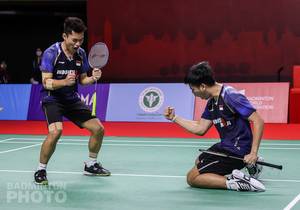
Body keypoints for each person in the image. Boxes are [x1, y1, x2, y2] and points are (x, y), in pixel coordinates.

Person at [164, 61, 265, 192]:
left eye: (193, 89)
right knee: (199, 161)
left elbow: (258, 121)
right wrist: (174, 118)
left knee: (192, 178)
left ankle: (237, 183)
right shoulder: (212, 102)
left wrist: (253, 153)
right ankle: (253, 167)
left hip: (236, 150)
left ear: (202, 86)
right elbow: (200, 128)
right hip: (226, 146)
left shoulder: (230, 96)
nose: (193, 93)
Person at [34, 17, 110, 185]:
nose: (78, 44)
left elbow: (82, 80)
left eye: (81, 40)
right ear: (65, 36)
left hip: (71, 99)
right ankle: (41, 169)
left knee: (98, 129)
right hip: (52, 98)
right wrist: (63, 82)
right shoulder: (51, 53)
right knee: (56, 132)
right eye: (74, 40)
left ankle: (90, 165)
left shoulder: (81, 54)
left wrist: (93, 78)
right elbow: (46, 82)